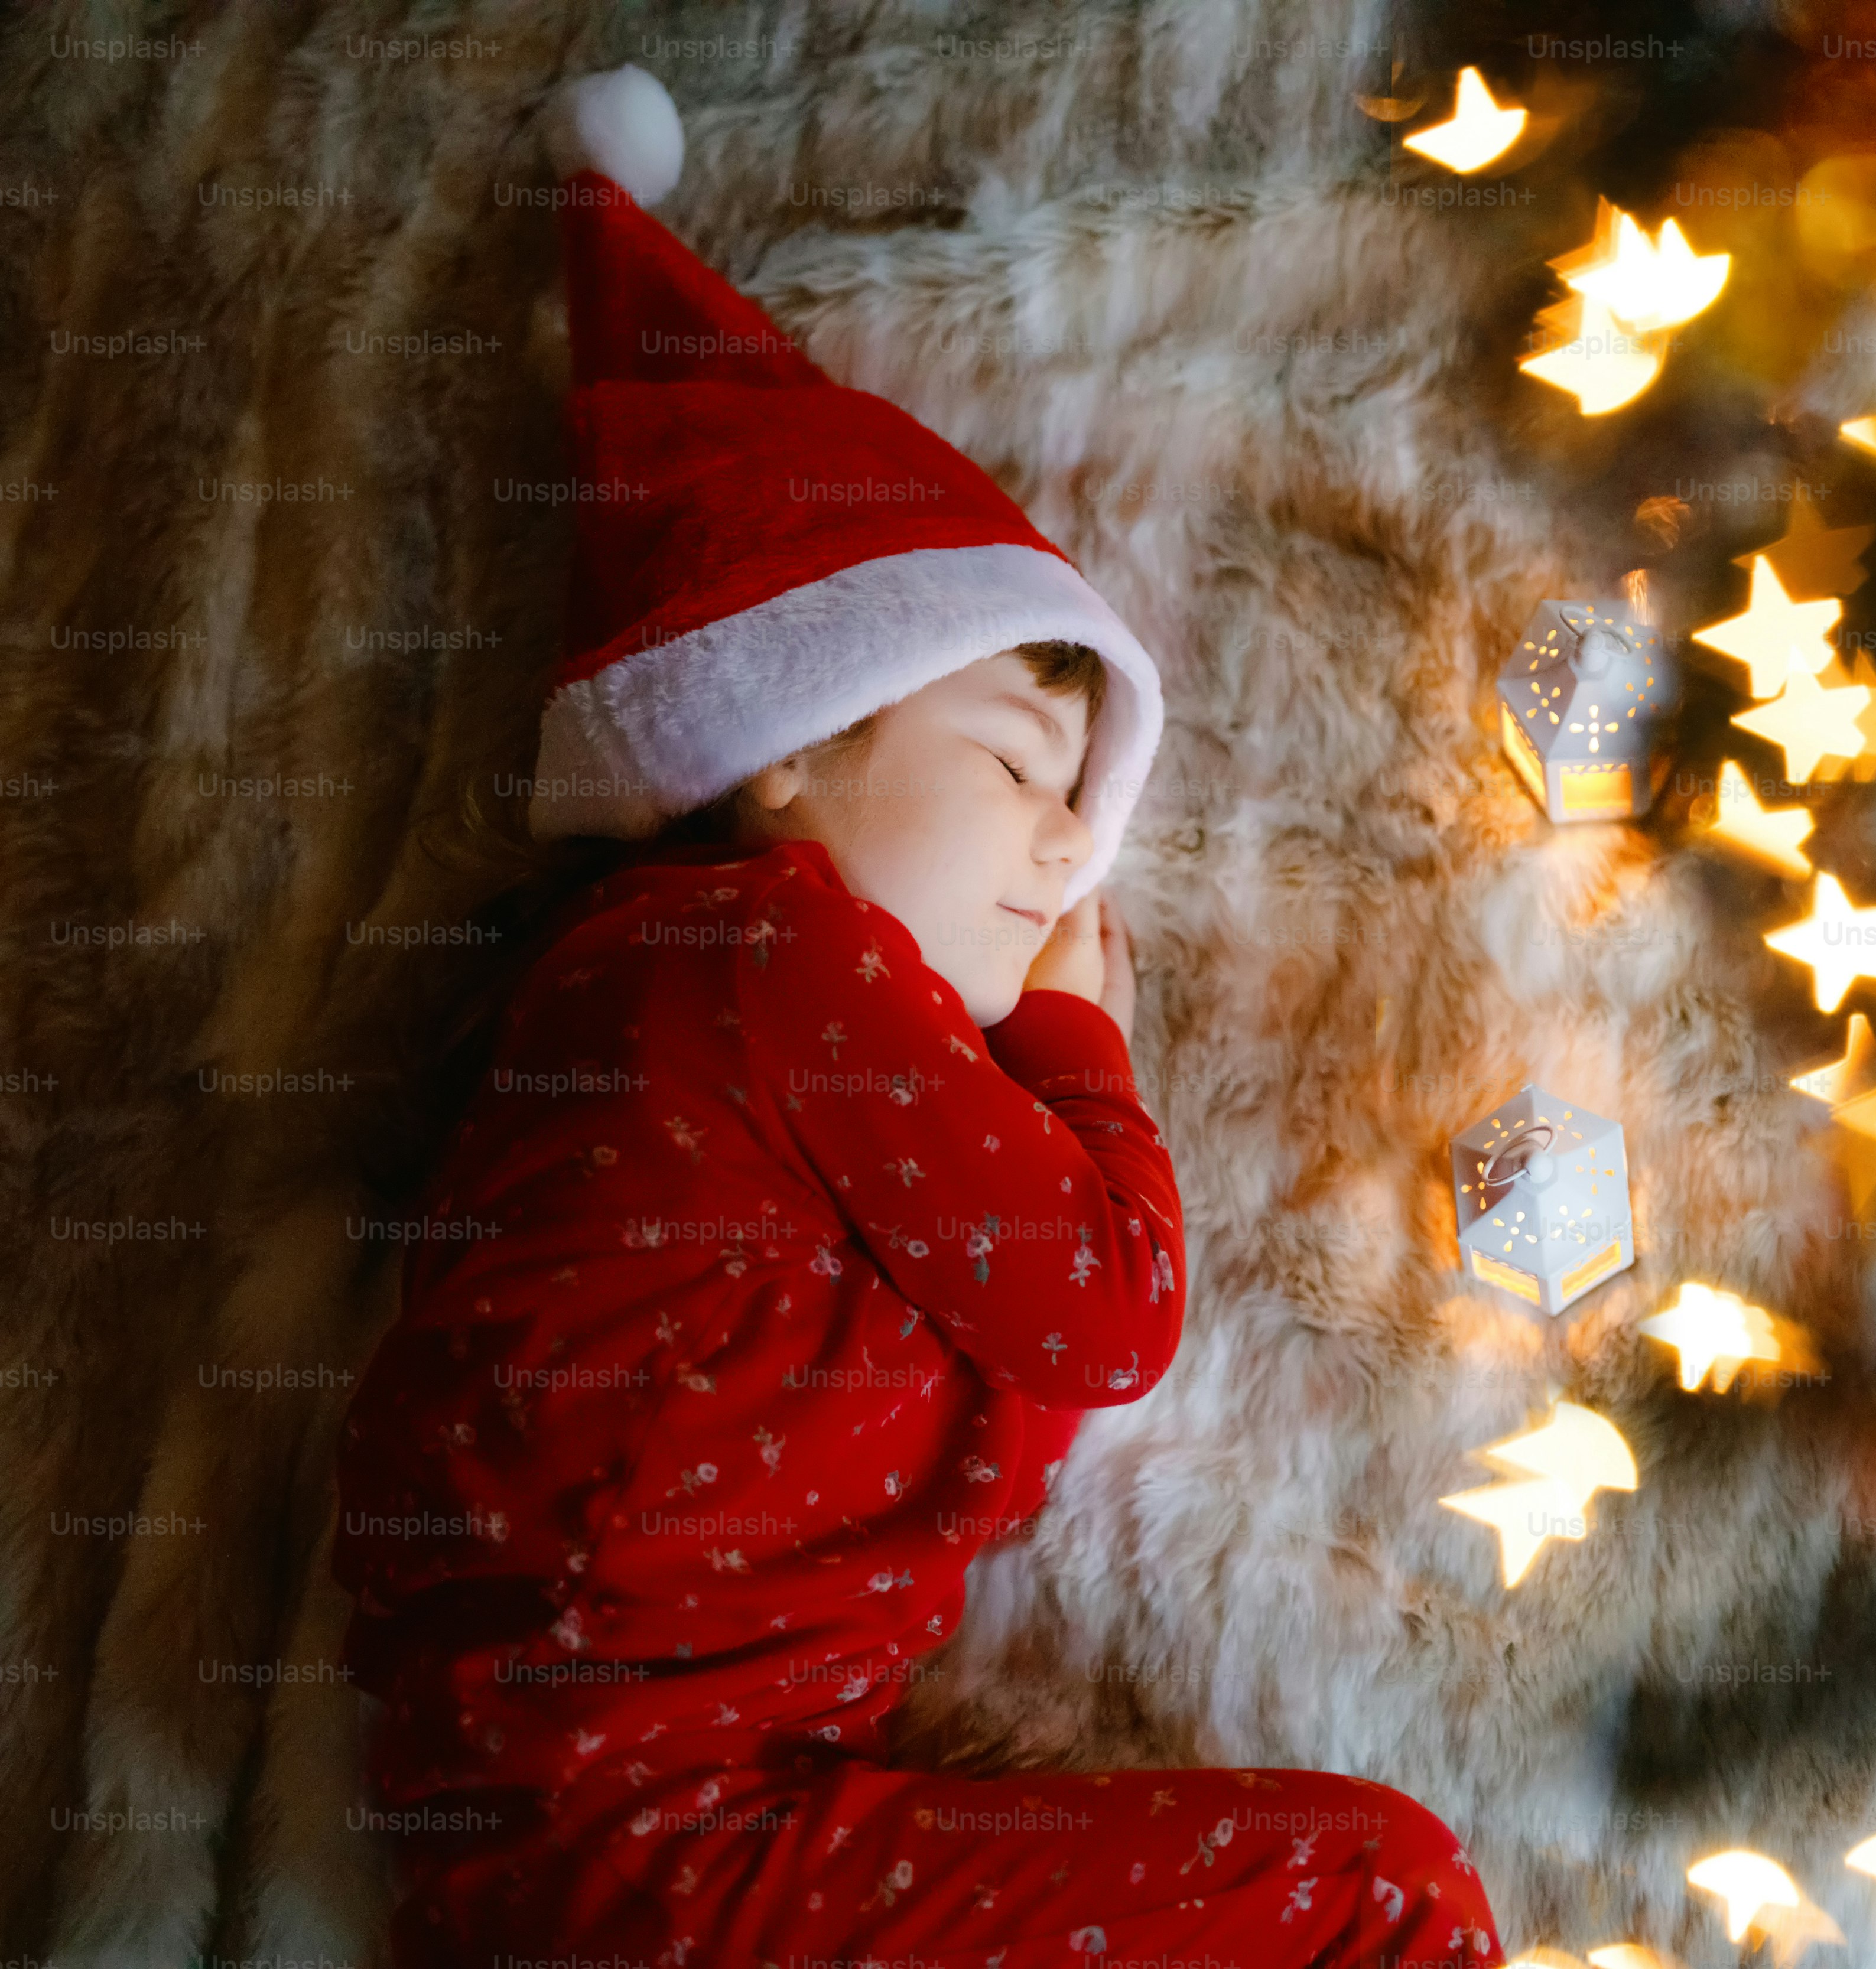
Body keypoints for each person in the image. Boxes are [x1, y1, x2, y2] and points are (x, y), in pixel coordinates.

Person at [329, 64, 1503, 1969]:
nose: (1070, 847)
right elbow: (1107, 1315)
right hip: (658, 1845)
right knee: (1381, 1894)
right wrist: (1077, 1058)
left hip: (613, 1841)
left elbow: (991, 1394)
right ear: (783, 749)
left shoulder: (699, 1053)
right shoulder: (760, 959)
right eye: (1026, 764)